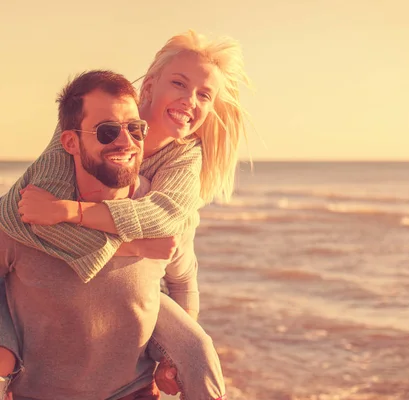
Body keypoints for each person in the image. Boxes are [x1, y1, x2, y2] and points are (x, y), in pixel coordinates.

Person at [0, 29, 250, 399]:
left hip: (149, 290)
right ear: (148, 86)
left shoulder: (183, 161)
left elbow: (164, 228)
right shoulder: (91, 117)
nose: (189, 100)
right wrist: (132, 247)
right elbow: (23, 218)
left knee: (198, 354)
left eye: (203, 95)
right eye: (179, 83)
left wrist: (70, 212)